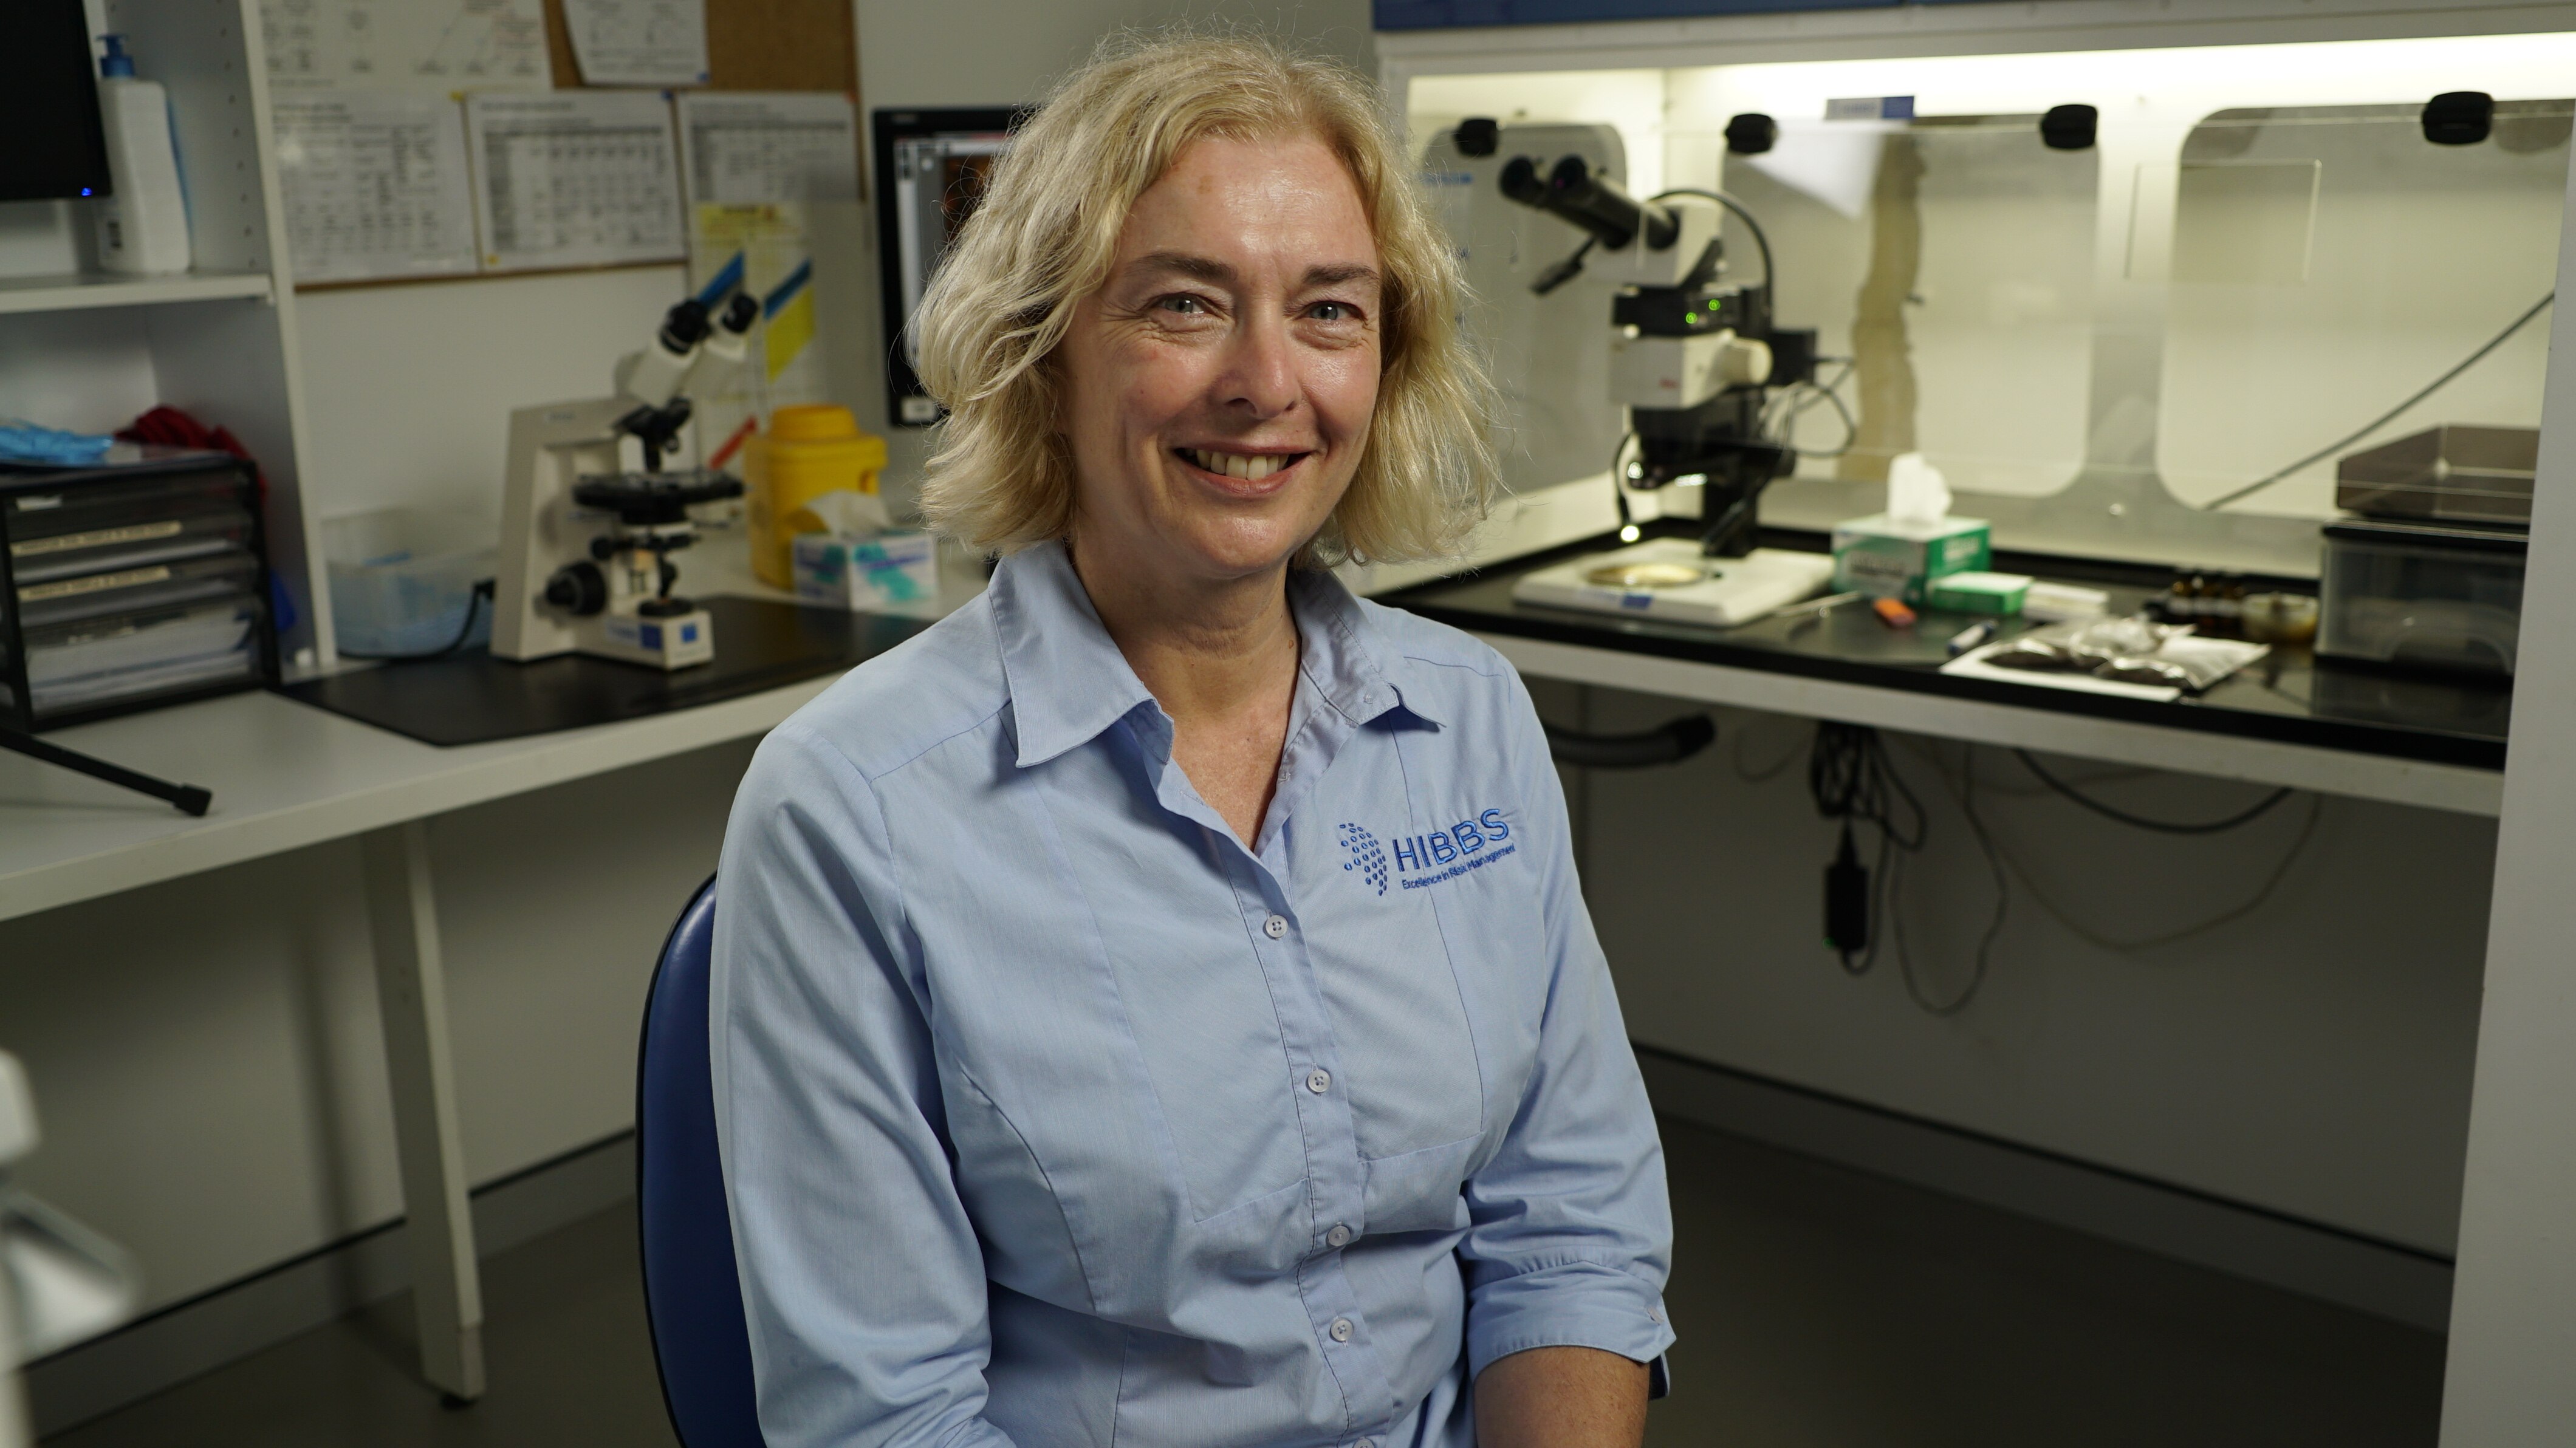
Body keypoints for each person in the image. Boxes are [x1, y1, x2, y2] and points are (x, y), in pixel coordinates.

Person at [712, 31, 1673, 1448]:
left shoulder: (1468, 718)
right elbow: (885, 1419)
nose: (1265, 382)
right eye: (1183, 304)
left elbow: (1571, 1228)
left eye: (1330, 312)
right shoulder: (851, 807)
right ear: (1041, 352)